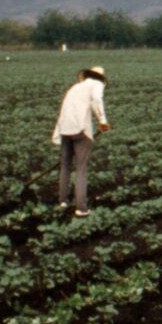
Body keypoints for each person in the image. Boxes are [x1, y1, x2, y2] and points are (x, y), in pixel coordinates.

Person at [52, 66, 109, 216]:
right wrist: (103, 121)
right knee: (81, 168)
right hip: (80, 130)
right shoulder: (97, 84)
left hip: (65, 129)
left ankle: (62, 201)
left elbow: (65, 109)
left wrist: (58, 132)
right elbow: (96, 101)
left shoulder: (75, 87)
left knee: (65, 166)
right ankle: (81, 208)